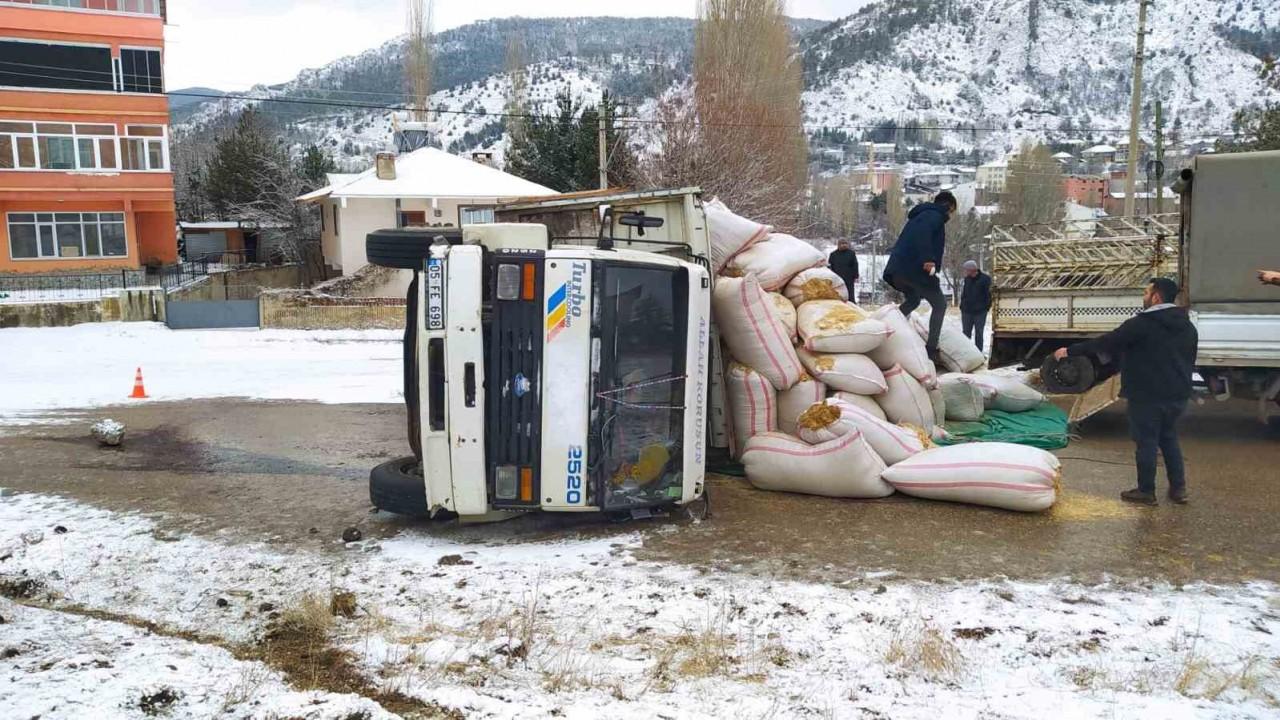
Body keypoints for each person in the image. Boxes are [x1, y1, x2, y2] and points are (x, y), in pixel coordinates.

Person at [1053, 277, 1198, 506]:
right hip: (1177, 395)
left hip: (1147, 394)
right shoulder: (1187, 326)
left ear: (1156, 297)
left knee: (1146, 442)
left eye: (1146, 292)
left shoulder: (1142, 324)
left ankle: (1146, 491)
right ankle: (1178, 489)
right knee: (1169, 438)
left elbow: (1107, 342)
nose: (1144, 296)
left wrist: (1069, 351)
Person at [883, 190, 957, 358]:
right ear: (949, 206)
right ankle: (931, 350)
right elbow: (922, 235)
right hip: (915, 269)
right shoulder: (933, 215)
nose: (951, 216)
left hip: (899, 269)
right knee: (940, 304)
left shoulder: (921, 215)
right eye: (952, 211)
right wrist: (929, 259)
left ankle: (888, 329)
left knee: (914, 300)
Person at [960, 260, 992, 352]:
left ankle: (978, 353)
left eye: (966, 270)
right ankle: (966, 352)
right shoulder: (967, 279)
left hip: (980, 312)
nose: (965, 272)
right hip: (967, 311)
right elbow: (964, 293)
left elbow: (988, 295)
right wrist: (962, 306)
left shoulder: (985, 279)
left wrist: (986, 307)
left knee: (979, 333)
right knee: (966, 333)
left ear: (972, 269)